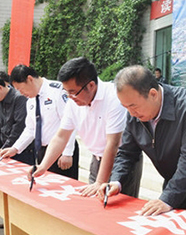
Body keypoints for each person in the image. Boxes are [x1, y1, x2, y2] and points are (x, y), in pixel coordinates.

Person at [97, 65, 186, 220]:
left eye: (133, 106)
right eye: (125, 107)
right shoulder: (134, 115)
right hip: (173, 179)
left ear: (153, 94)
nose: (131, 113)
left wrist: (167, 198)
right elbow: (126, 153)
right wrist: (115, 181)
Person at [30, 57, 142, 197]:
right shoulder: (73, 102)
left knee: (119, 209)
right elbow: (61, 136)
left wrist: (100, 181)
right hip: (97, 159)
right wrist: (42, 167)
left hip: (121, 161)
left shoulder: (114, 96)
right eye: (67, 92)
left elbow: (112, 144)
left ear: (90, 85)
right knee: (93, 205)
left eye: (73, 92)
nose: (70, 97)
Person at [0, 65, 79, 179]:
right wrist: (15, 148)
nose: (21, 93)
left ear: (30, 79)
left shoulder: (57, 91)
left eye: (21, 89)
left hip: (61, 151)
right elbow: (30, 129)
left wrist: (67, 152)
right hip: (43, 151)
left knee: (63, 188)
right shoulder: (30, 100)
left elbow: (70, 123)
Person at [0, 72, 34, 165]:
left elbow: (19, 127)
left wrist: (5, 148)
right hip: (6, 150)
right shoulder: (1, 99)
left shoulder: (19, 98)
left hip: (21, 150)